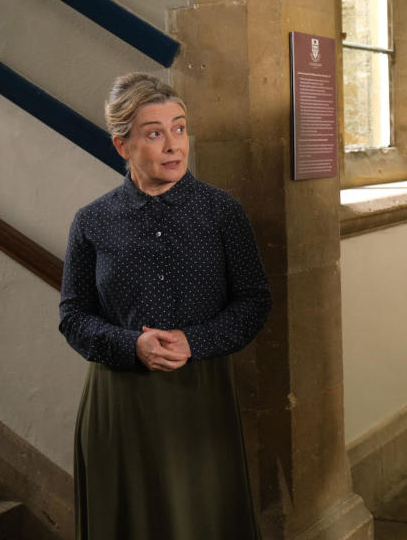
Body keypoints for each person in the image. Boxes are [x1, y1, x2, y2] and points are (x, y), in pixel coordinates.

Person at [59, 73, 271, 539]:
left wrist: (195, 341)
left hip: (201, 399)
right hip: (118, 406)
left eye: (179, 128)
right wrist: (131, 344)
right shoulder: (92, 221)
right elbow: (72, 317)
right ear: (122, 146)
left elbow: (255, 301)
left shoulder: (221, 212)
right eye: (155, 133)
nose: (174, 144)